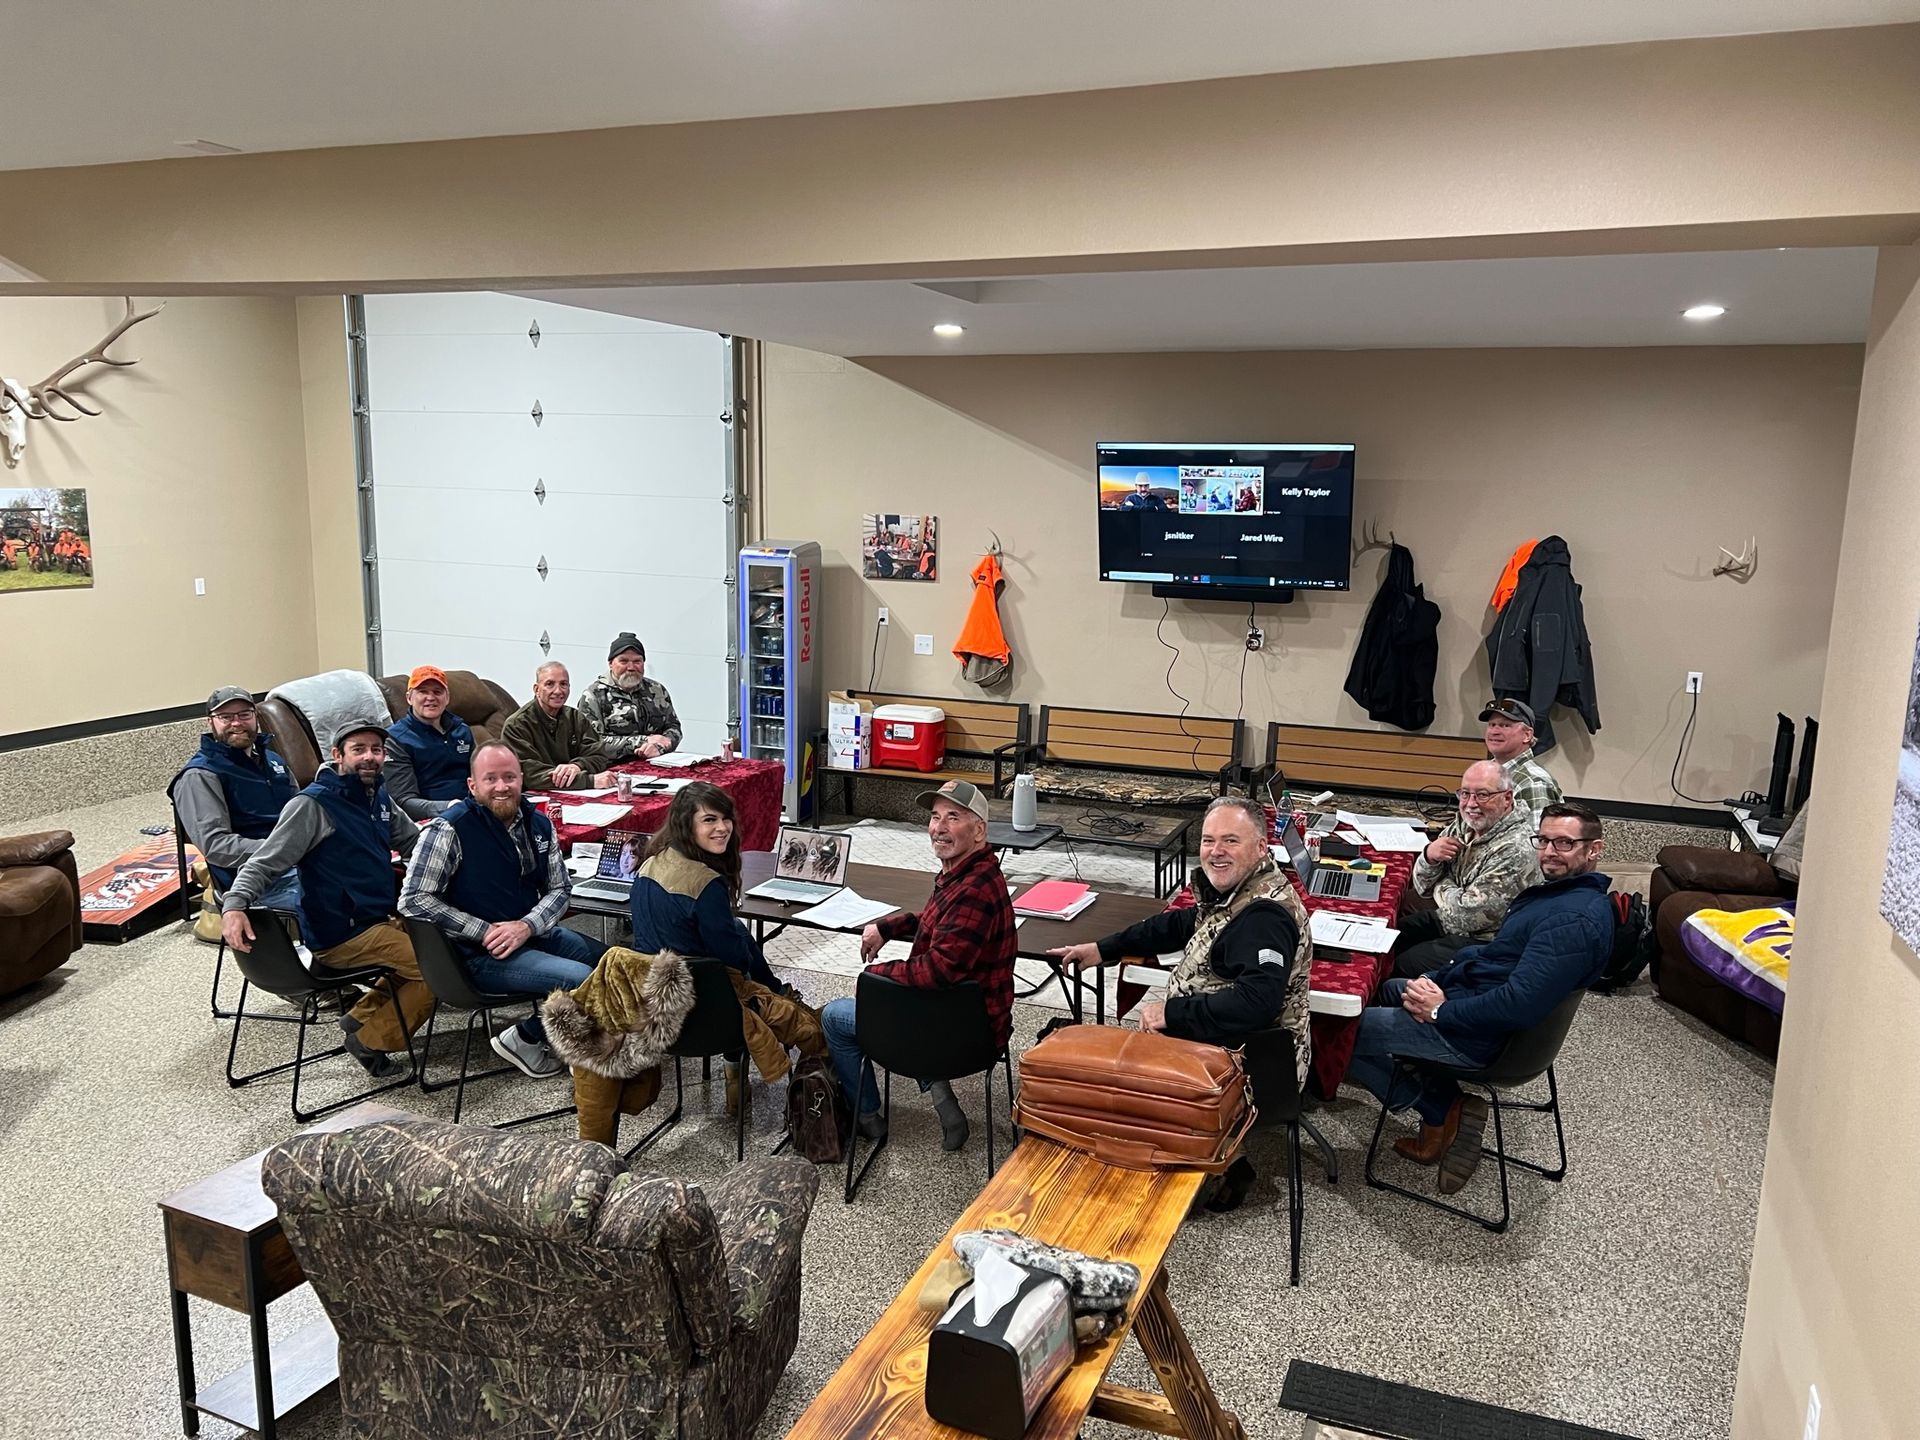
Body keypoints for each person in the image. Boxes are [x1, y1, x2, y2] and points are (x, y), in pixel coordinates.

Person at [1050, 794, 1311, 1213]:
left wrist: (1171, 1012)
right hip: (1225, 1044)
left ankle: (1202, 1169)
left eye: (1231, 840)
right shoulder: (1239, 893)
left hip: (1256, 1064)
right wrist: (1102, 949)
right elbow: (1177, 924)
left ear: (1261, 847)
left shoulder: (1264, 916)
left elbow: (1257, 1003)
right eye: (1208, 840)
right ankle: (1217, 1158)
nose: (1216, 851)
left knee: (1115, 1078)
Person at [1346, 802, 1613, 1195]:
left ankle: (1440, 1108)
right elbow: (1493, 958)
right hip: (1470, 999)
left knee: (1336, 1030)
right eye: (1543, 840)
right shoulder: (1559, 896)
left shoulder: (1569, 922)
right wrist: (1437, 980)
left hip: (1482, 1036)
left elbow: (1518, 1004)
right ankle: (1425, 1084)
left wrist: (1440, 1010)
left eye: (1564, 843)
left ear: (1594, 849)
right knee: (1385, 988)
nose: (1549, 852)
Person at [220, 716, 434, 1077]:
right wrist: (235, 904)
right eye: (358, 749)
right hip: (341, 933)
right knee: (435, 968)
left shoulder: (377, 796)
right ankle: (372, 1041)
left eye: (376, 750)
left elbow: (414, 842)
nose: (369, 757)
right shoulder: (314, 804)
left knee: (440, 945)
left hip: (377, 919)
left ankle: (361, 1016)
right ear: (337, 755)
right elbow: (265, 861)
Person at [822, 779, 1017, 1150]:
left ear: (979, 831)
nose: (939, 828)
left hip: (966, 1036)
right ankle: (941, 1096)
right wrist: (887, 926)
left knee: (835, 1016)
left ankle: (867, 1117)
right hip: (958, 1016)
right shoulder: (968, 874)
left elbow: (937, 970)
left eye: (953, 817)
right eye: (935, 817)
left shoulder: (972, 891)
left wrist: (875, 978)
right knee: (894, 1002)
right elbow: (937, 924)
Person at [398, 742, 609, 1078]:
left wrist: (526, 926)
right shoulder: (448, 829)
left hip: (532, 934)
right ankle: (526, 1037)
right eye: (490, 779)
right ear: (472, 785)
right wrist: (485, 931)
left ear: (521, 779)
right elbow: (414, 899)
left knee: (615, 963)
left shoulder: (539, 823)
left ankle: (570, 1040)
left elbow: (560, 888)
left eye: (509, 777)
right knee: (581, 979)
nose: (501, 787)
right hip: (478, 954)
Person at [629, 781, 792, 995]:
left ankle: (778, 992)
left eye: (726, 818)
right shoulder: (706, 884)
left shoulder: (651, 862)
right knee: (740, 944)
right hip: (695, 992)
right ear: (686, 824)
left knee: (737, 928)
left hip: (646, 983)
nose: (722, 827)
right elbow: (733, 960)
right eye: (709, 820)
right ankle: (780, 996)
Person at [170, 686, 305, 929]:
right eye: (226, 717)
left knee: (371, 877)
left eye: (244, 714)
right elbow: (216, 846)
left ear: (255, 717)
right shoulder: (200, 775)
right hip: (255, 884)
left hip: (299, 863)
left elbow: (303, 812)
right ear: (210, 722)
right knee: (343, 899)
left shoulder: (273, 760)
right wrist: (285, 850)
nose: (237, 723)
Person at [1395, 761, 1539, 978]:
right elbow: (1422, 886)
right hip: (1452, 918)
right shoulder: (1466, 824)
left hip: (1488, 941)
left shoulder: (1516, 848)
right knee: (1392, 935)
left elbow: (1466, 915)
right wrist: (1429, 856)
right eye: (1465, 794)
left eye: (1482, 795)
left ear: (1507, 798)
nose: (1471, 804)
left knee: (1405, 962)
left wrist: (1441, 882)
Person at [500, 661, 615, 791]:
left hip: (577, 794)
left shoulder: (576, 718)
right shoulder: (517, 725)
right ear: (536, 689)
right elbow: (529, 774)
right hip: (536, 796)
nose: (558, 691)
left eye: (563, 684)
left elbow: (599, 755)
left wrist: (578, 766)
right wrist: (589, 781)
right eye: (550, 684)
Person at [383, 664, 477, 820]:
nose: (431, 697)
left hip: (473, 809)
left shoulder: (462, 730)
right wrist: (450, 807)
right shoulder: (395, 739)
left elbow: (480, 776)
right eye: (423, 691)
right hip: (431, 818)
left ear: (447, 698)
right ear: (409, 698)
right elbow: (403, 801)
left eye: (437, 692)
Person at [576, 633, 681, 762]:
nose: (631, 668)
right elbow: (593, 743)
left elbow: (674, 727)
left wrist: (662, 745)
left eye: (637, 661)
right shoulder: (594, 695)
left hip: (658, 763)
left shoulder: (657, 690)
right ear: (610, 664)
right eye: (623, 661)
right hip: (613, 768)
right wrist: (642, 741)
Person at [1481, 697, 1562, 813]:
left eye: (1505, 725)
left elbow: (1537, 826)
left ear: (1527, 735)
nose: (1494, 732)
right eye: (1492, 725)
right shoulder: (1483, 774)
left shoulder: (1533, 783)